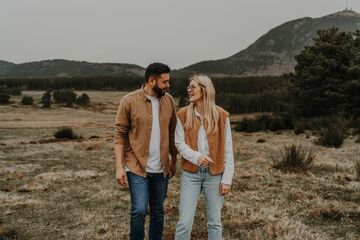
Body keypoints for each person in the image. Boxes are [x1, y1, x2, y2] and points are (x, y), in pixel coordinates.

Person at [114, 62, 178, 240]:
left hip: (161, 168)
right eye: (164, 82)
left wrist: (173, 160)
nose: (168, 85)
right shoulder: (128, 101)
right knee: (139, 210)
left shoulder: (169, 101)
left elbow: (172, 132)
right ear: (152, 81)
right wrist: (119, 167)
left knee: (158, 211)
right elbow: (119, 136)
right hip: (137, 167)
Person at [174, 75, 234, 240]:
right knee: (184, 222)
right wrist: (196, 156)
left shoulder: (222, 116)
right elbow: (179, 143)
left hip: (214, 175)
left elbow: (228, 150)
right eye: (188, 87)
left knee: (214, 222)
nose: (189, 90)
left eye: (193, 87)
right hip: (190, 174)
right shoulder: (183, 114)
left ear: (205, 90)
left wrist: (227, 179)